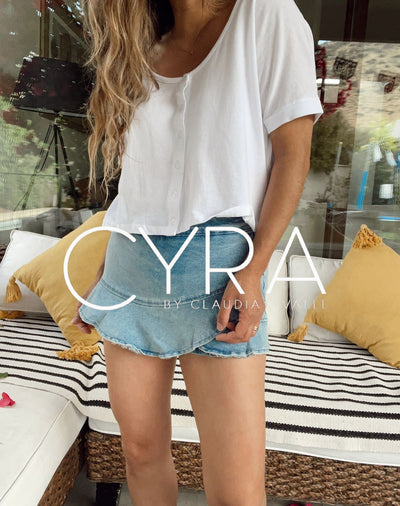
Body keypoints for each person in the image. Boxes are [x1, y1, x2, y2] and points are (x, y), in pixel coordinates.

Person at [72, 0, 323, 504]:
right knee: (140, 453)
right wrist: (106, 271)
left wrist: (253, 272)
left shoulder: (265, 15)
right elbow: (139, 177)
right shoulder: (141, 41)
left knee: (236, 488)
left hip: (222, 268)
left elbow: (294, 156)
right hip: (131, 266)